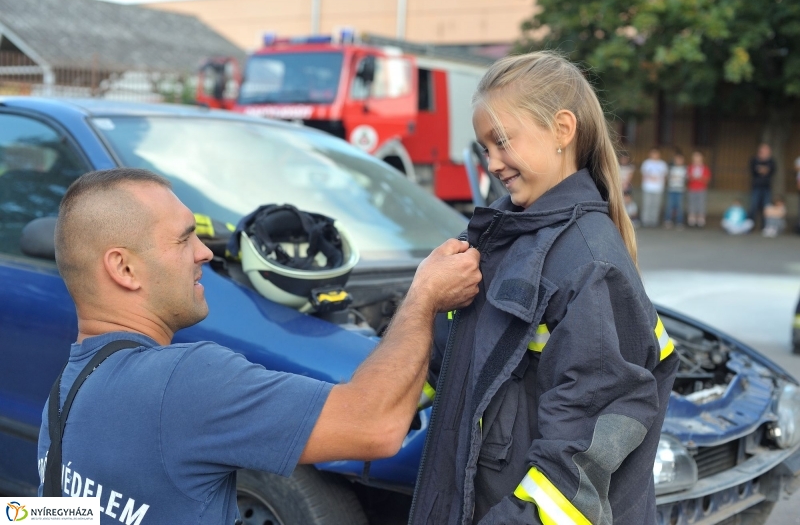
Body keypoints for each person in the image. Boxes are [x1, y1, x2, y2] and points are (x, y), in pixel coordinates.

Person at [37, 169, 481, 523]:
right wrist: (423, 297)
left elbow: (44, 515)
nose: (204, 253)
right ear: (125, 269)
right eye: (182, 238)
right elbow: (376, 427)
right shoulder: (184, 380)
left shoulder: (62, 398)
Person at [408, 52, 679, 525]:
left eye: (503, 141)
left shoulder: (589, 263)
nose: (492, 162)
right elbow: (458, 370)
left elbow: (580, 456)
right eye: (484, 148)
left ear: (562, 129)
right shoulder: (506, 239)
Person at [749, 143, 776, 228]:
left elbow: (772, 170)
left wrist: (762, 169)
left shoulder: (771, 161)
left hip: (767, 187)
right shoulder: (754, 160)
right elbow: (753, 170)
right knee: (753, 205)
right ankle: (750, 225)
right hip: (756, 186)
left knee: (766, 207)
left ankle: (764, 226)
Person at [640, 147, 668, 227]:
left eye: (656, 153)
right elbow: (644, 175)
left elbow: (665, 176)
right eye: (653, 153)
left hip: (658, 188)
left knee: (656, 205)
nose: (654, 155)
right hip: (648, 187)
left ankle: (654, 220)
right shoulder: (646, 163)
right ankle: (645, 220)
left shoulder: (662, 164)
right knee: (647, 204)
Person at [686, 151, 711, 227]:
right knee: (692, 204)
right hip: (692, 188)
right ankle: (692, 220)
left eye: (698, 157)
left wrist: (699, 178)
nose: (697, 159)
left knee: (701, 204)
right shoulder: (690, 167)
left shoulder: (705, 168)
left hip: (701, 188)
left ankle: (700, 221)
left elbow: (707, 179)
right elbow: (688, 177)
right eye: (695, 157)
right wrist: (693, 177)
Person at [664, 151, 687, 228]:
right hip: (671, 189)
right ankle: (668, 220)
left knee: (679, 207)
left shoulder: (685, 169)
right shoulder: (671, 168)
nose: (678, 161)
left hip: (680, 190)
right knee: (670, 206)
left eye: (680, 160)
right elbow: (667, 178)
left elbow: (686, 179)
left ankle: (679, 221)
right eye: (676, 159)